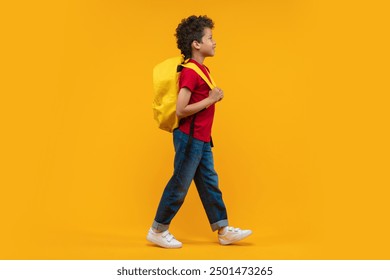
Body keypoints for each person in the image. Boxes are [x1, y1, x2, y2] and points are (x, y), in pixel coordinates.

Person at [147, 15, 252, 248]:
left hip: (202, 139)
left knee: (209, 182)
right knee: (180, 184)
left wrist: (210, 98)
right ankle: (157, 229)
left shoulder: (202, 70)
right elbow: (181, 110)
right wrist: (211, 99)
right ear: (196, 44)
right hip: (189, 138)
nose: (214, 42)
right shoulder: (191, 72)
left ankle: (223, 230)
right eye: (210, 38)